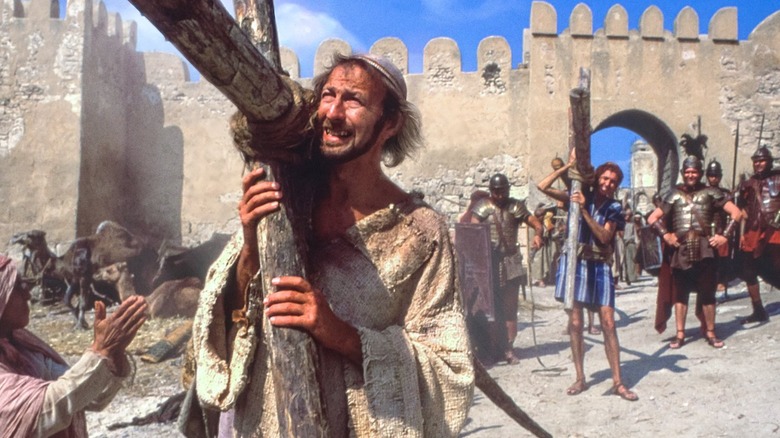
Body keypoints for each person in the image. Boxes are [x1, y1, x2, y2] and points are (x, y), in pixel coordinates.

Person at [190, 54, 474, 436]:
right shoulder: (285, 197)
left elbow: (448, 370)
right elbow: (230, 317)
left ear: (390, 122)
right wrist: (250, 251)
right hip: (259, 423)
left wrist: (338, 331)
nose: (334, 113)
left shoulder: (420, 233)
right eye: (328, 95)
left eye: (353, 100)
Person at [0, 255, 148, 437]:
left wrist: (111, 357)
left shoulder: (22, 345)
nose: (28, 294)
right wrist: (100, 350)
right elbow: (46, 408)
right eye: (15, 286)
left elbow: (85, 397)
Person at [540, 157, 638, 401]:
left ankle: (617, 382)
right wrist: (568, 167)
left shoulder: (614, 209)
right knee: (575, 323)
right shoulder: (579, 193)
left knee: (608, 323)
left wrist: (583, 209)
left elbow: (604, 237)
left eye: (612, 181)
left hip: (600, 264)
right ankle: (580, 378)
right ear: (597, 179)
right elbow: (543, 186)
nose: (607, 184)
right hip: (576, 262)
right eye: (604, 178)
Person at [648, 156, 741, 349]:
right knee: (680, 294)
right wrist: (666, 235)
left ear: (700, 173)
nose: (691, 175)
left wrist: (724, 236)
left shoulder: (711, 193)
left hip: (705, 248)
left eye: (694, 172)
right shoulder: (673, 194)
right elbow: (652, 218)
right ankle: (680, 334)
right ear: (683, 173)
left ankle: (711, 332)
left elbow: (736, 213)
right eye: (688, 172)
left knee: (707, 292)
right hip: (680, 249)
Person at [468, 174, 543, 364]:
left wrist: (538, 234)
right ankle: (493, 349)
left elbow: (533, 221)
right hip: (489, 262)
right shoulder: (482, 207)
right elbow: (473, 230)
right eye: (496, 192)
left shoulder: (515, 206)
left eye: (503, 191)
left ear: (507, 190)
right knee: (491, 308)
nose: (500, 195)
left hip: (511, 261)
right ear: (491, 191)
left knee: (510, 308)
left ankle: (509, 349)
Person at [736, 145, 780, 323]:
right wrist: (741, 233)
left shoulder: (778, 178)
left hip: (775, 231)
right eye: (755, 161)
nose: (758, 164)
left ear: (769, 162)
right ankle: (758, 309)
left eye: (761, 161)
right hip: (753, 232)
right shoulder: (748, 183)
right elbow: (743, 210)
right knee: (748, 270)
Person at [705, 159, 735, 299]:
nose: (714, 178)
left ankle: (722, 284)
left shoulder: (726, 194)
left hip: (722, 230)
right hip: (706, 232)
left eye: (716, 176)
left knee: (723, 261)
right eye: (711, 175)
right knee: (708, 262)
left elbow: (733, 213)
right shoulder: (703, 193)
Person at [622, 209, 639, 285]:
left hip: (631, 243)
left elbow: (634, 235)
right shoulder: (622, 224)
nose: (627, 216)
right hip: (623, 243)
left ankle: (632, 277)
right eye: (626, 215)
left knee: (632, 260)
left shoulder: (632, 225)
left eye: (628, 215)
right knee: (624, 261)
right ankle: (626, 277)